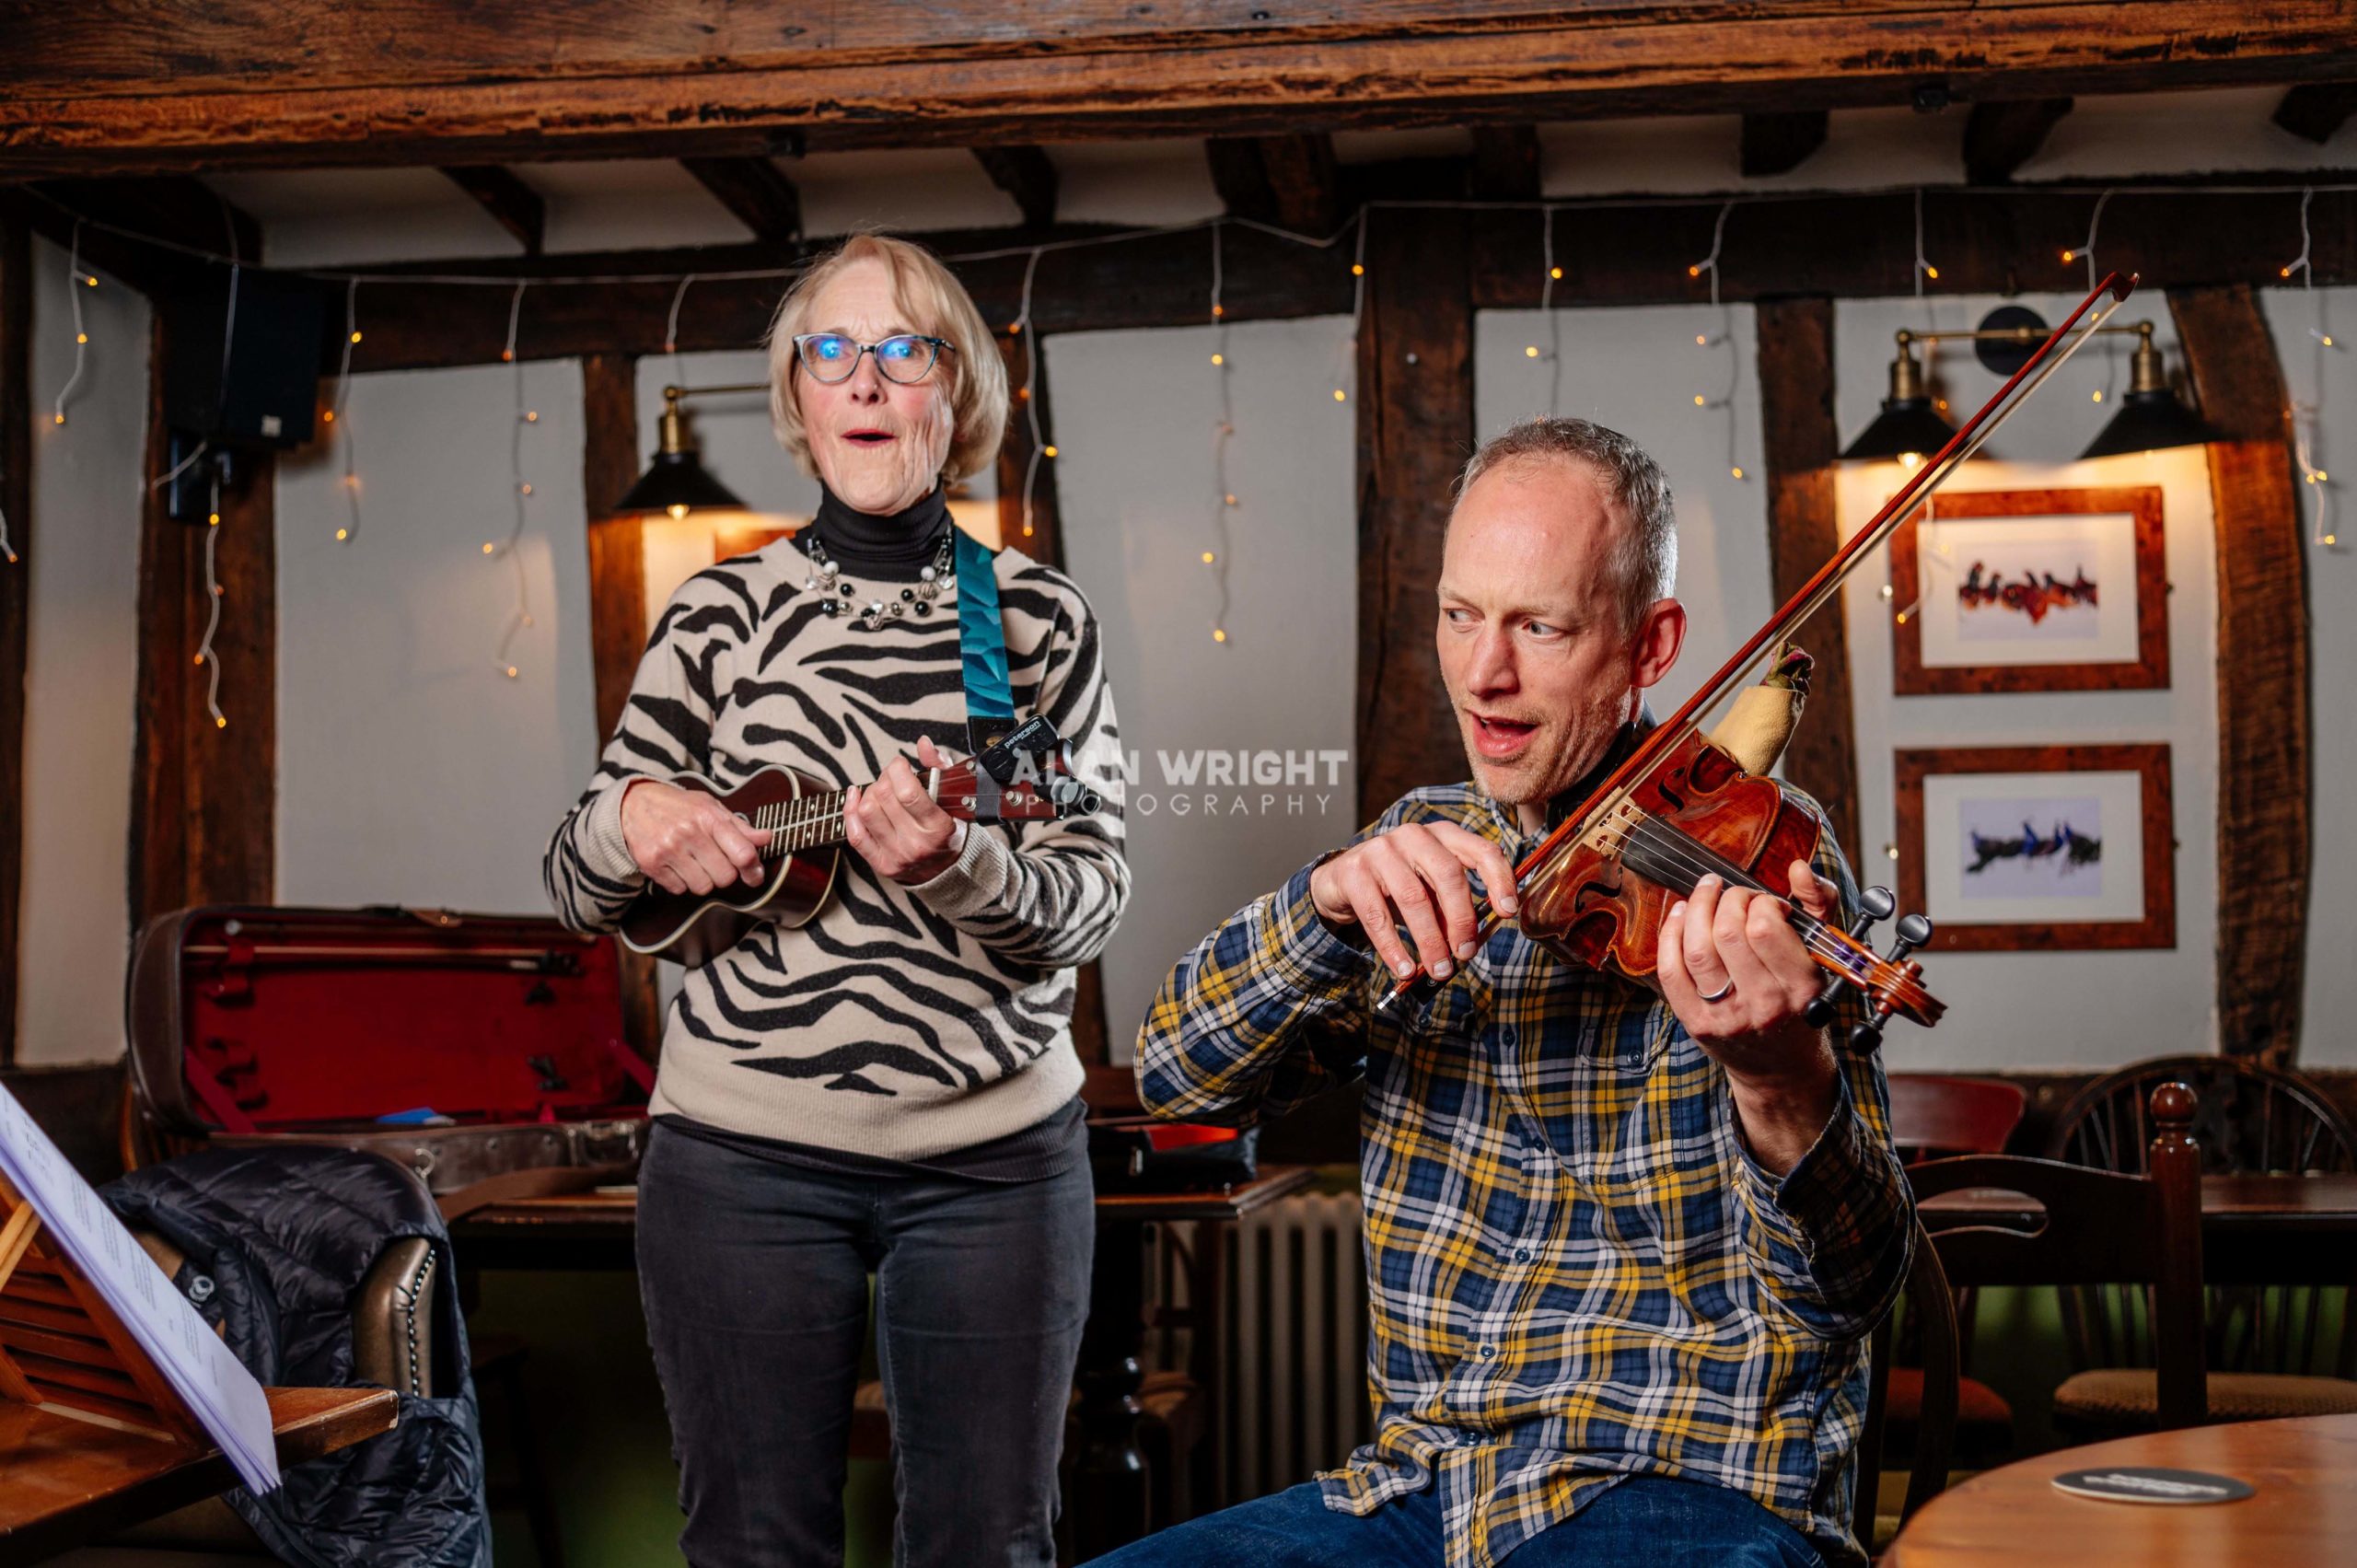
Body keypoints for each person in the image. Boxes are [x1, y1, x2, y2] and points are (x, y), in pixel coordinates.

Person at [1103, 418, 1911, 1568]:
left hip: (1690, 1489)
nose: (1485, 673)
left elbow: (1854, 1290)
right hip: (1422, 1489)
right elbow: (1178, 1075)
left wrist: (1783, 1077)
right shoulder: (1415, 852)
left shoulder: (1762, 859)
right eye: (1459, 613)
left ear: (1649, 644)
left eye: (1540, 624)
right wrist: (1322, 907)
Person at [541, 232, 1128, 1568]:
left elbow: (1090, 899)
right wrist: (633, 814)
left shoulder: (1031, 625)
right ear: (800, 399)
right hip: (738, 1158)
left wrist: (955, 865)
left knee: (987, 1545)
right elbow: (576, 881)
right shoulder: (719, 614)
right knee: (754, 1546)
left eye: (904, 348)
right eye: (832, 350)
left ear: (956, 393)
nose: (867, 379)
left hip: (996, 1167)